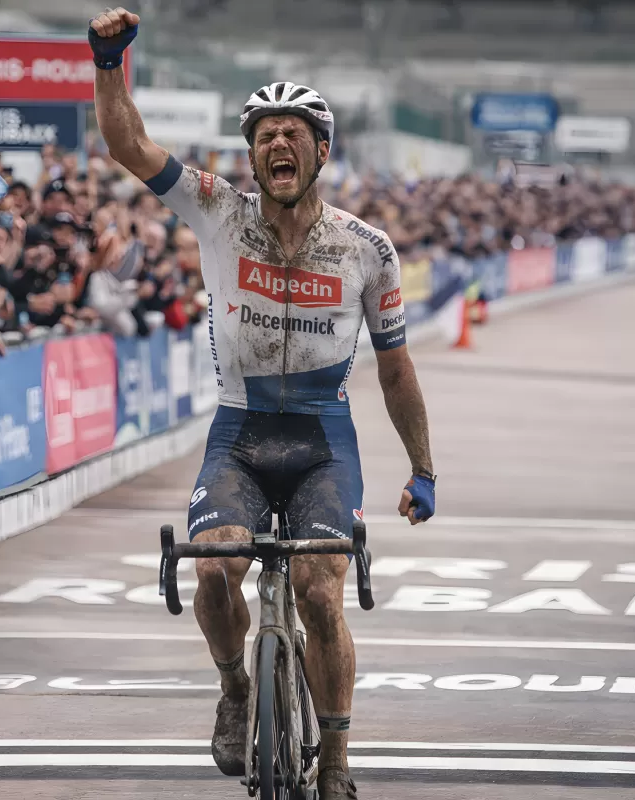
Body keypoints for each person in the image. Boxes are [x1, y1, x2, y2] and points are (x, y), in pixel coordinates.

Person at [90, 8, 437, 799]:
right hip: (240, 428)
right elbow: (126, 144)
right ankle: (235, 689)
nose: (278, 145)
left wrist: (424, 469)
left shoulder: (366, 248)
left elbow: (396, 371)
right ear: (250, 154)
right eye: (264, 135)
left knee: (320, 587)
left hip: (322, 436)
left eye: (295, 133)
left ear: (322, 151)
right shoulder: (219, 210)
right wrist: (109, 60)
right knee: (214, 566)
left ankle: (338, 760)